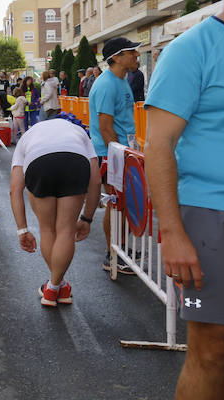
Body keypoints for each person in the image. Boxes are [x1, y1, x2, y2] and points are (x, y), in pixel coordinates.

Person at [144, 0, 224, 400]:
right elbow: (158, 144)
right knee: (212, 349)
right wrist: (172, 233)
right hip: (210, 222)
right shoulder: (190, 50)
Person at [10, 115, 101, 307]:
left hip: (39, 161)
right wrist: (87, 218)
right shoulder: (79, 132)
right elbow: (96, 181)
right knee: (66, 231)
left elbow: (15, 189)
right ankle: (59, 285)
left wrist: (22, 230)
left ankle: (53, 288)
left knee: (48, 230)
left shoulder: (29, 135)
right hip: (75, 159)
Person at [88, 37, 140, 274]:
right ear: (117, 57)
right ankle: (112, 253)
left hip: (122, 152)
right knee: (116, 204)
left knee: (124, 203)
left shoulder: (121, 80)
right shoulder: (107, 84)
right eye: (132, 52)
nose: (136, 56)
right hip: (111, 154)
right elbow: (106, 127)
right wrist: (122, 156)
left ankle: (121, 247)